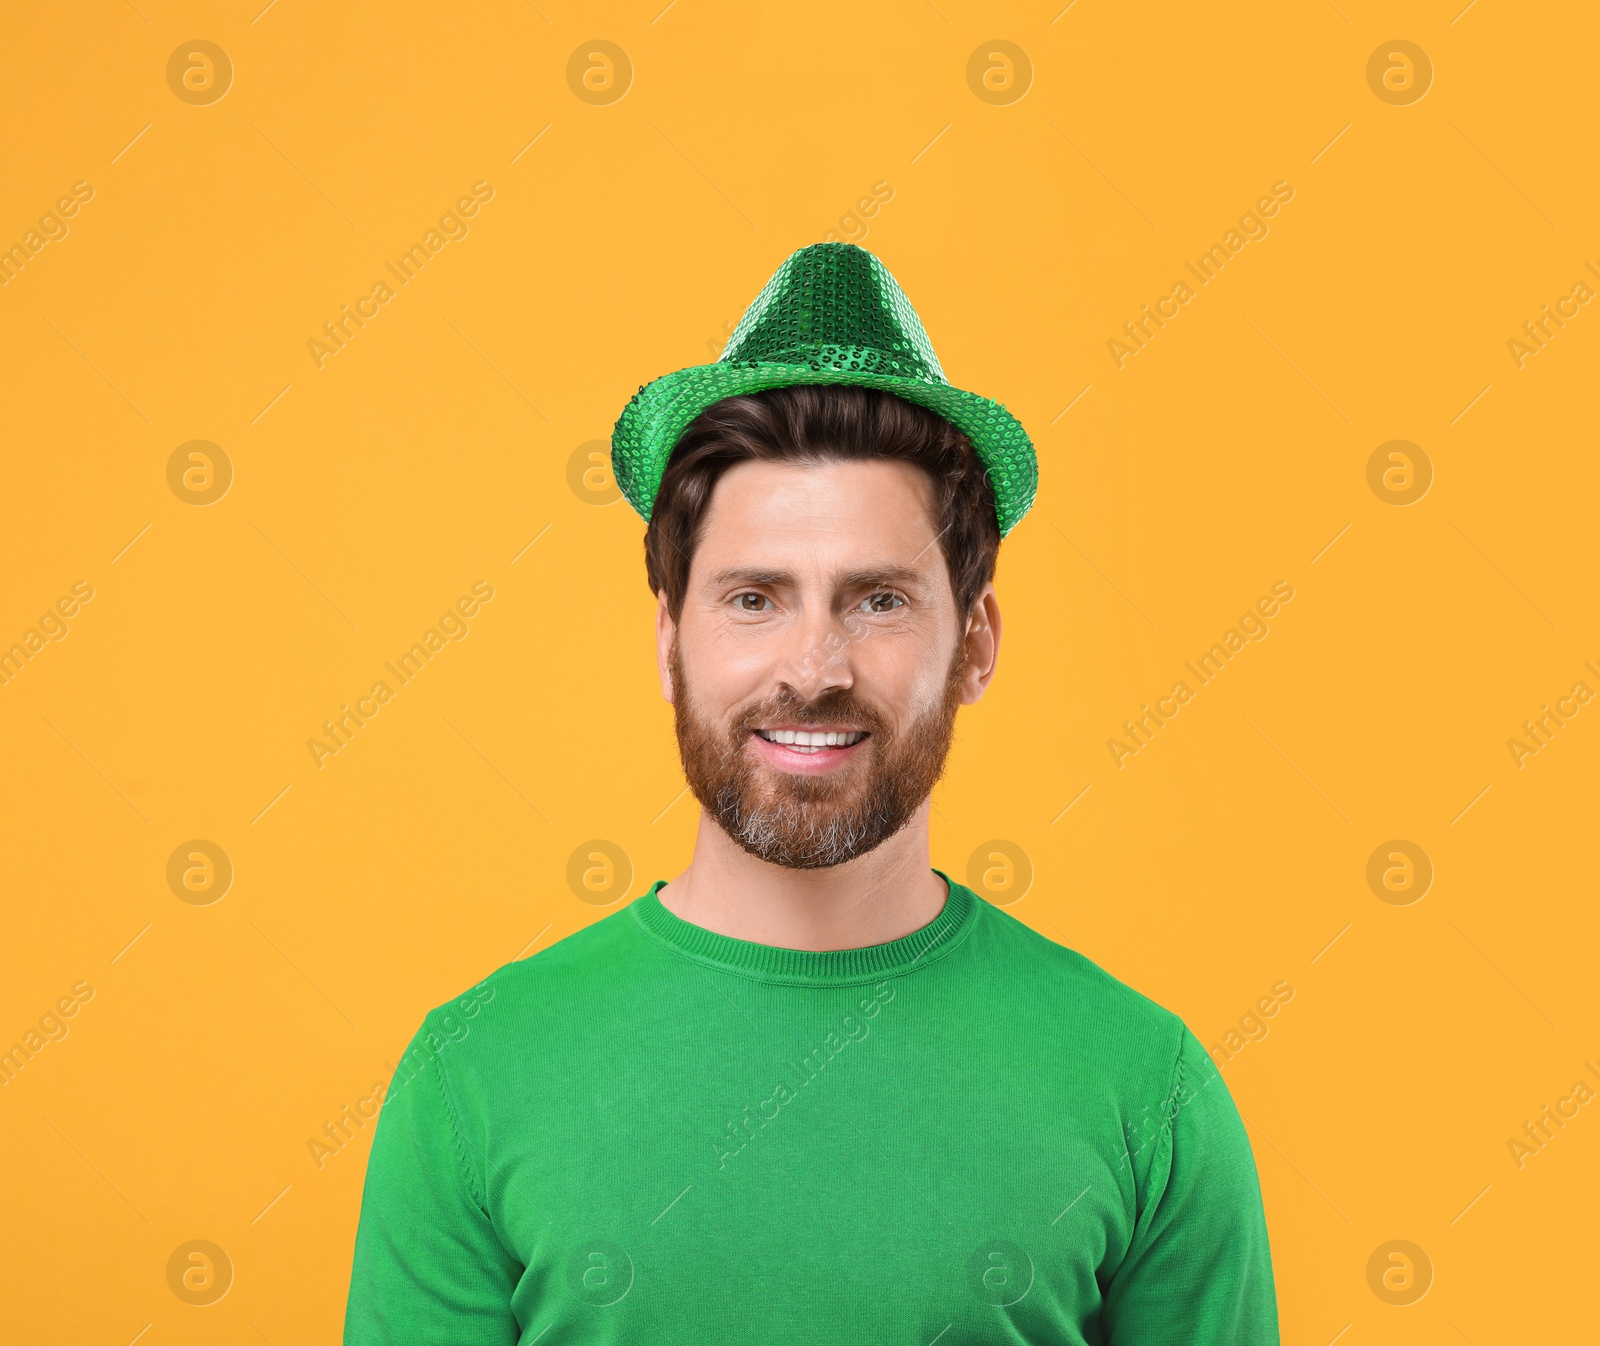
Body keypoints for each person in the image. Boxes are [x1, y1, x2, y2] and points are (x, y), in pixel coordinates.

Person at [342, 242, 1281, 1343]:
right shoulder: (473, 1077)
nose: (813, 664)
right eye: (753, 597)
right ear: (668, 642)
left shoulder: (1145, 1090)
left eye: (878, 599)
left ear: (973, 644)